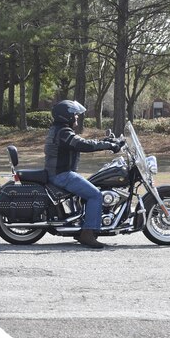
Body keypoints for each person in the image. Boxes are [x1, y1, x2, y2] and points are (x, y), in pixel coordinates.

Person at [44, 100, 121, 249]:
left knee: (92, 188)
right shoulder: (63, 132)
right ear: (67, 116)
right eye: (75, 115)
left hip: (61, 172)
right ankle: (88, 234)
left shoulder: (60, 130)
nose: (77, 118)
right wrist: (109, 145)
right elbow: (83, 144)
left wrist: (106, 141)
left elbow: (82, 142)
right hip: (61, 175)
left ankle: (84, 224)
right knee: (95, 195)